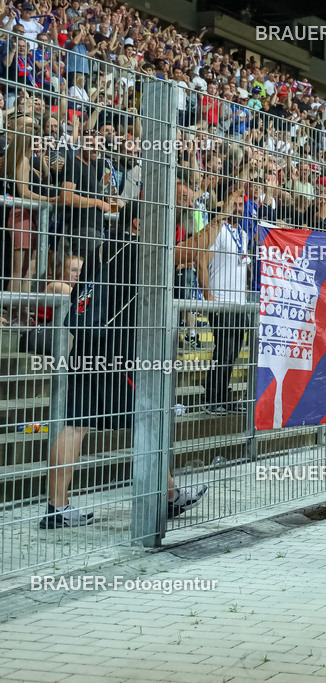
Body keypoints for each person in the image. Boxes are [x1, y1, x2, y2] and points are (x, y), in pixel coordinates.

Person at [40, 204, 207, 529]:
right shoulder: (139, 253)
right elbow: (192, 251)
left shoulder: (102, 248)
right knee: (150, 419)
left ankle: (56, 508)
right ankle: (167, 497)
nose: (163, 231)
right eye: (156, 221)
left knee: (75, 425)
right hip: (120, 356)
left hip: (88, 349)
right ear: (136, 223)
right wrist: (220, 217)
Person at [197, 191, 251, 413]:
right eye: (234, 204)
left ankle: (222, 394)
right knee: (224, 350)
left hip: (239, 303)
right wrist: (208, 295)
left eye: (240, 205)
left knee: (232, 351)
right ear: (225, 205)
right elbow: (201, 261)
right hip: (221, 301)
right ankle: (211, 397)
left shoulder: (244, 235)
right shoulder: (217, 230)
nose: (238, 208)